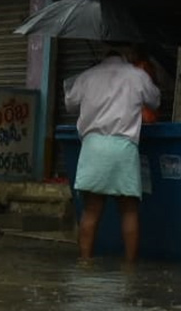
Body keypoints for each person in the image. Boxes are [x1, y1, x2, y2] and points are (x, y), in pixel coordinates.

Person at [65, 45, 160, 262]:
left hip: (93, 147)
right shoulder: (138, 76)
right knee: (128, 211)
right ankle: (129, 266)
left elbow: (69, 102)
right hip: (124, 148)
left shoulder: (87, 76)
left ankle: (85, 261)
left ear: (103, 56)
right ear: (125, 56)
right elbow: (155, 100)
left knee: (91, 210)